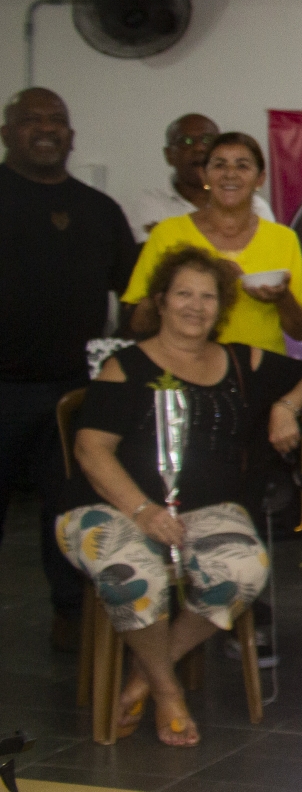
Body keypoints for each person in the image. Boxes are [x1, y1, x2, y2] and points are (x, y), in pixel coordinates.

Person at [58, 246, 302, 747]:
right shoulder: (124, 367)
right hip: (111, 506)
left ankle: (144, 676)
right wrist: (143, 511)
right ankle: (169, 692)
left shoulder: (243, 360)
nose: (195, 307)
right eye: (183, 295)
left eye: (208, 297)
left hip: (205, 510)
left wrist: (285, 405)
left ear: (222, 307)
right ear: (161, 301)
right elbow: (91, 452)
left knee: (242, 570)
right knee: (137, 574)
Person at [0, 87, 137, 649]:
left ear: (71, 136)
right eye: (31, 119)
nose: (45, 127)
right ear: (8, 131)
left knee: (69, 512)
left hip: (72, 392)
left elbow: (133, 294)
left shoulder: (98, 210)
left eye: (56, 119)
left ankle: (70, 616)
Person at [124, 132, 302, 353]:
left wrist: (282, 298)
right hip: (184, 366)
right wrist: (179, 284)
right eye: (219, 165)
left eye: (242, 166)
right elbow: (137, 324)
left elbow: (301, 331)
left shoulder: (283, 238)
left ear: (260, 179)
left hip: (259, 372)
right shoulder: (168, 233)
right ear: (205, 177)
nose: (230, 175)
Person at [128, 114, 273, 240]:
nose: (199, 148)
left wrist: (171, 234)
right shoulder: (149, 204)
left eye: (207, 140)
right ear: (169, 155)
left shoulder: (256, 206)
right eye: (186, 141)